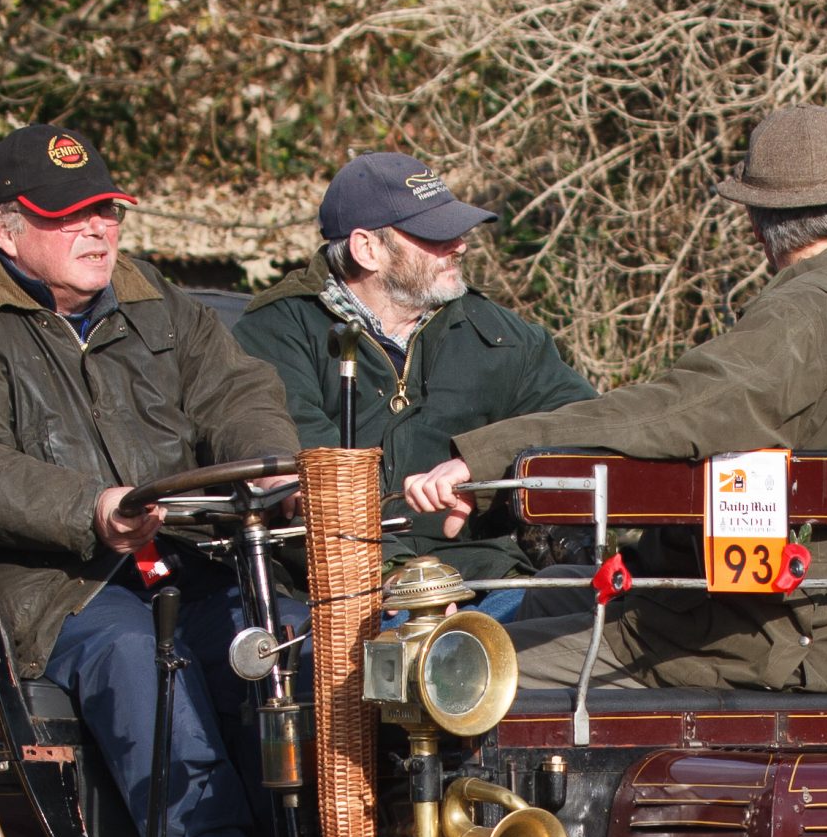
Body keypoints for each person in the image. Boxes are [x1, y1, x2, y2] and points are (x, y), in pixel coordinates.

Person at [0, 123, 300, 837]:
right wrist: (89, 507)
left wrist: (269, 465)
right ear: (2, 229)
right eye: (68, 216)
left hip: (192, 558)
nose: (99, 230)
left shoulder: (155, 302)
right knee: (141, 658)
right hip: (55, 587)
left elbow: (237, 391)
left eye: (107, 211)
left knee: (296, 635)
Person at [404, 106, 827, 694]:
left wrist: (489, 459)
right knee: (550, 589)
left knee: (449, 676)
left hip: (774, 645)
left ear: (758, 225)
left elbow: (675, 411)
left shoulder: (804, 315)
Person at [232, 152, 593, 619]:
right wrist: (405, 580)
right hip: (337, 593)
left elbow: (586, 428)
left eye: (457, 231)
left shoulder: (503, 335)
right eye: (435, 235)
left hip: (493, 575)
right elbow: (313, 485)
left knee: (578, 621)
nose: (460, 246)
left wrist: (485, 461)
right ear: (367, 249)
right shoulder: (277, 333)